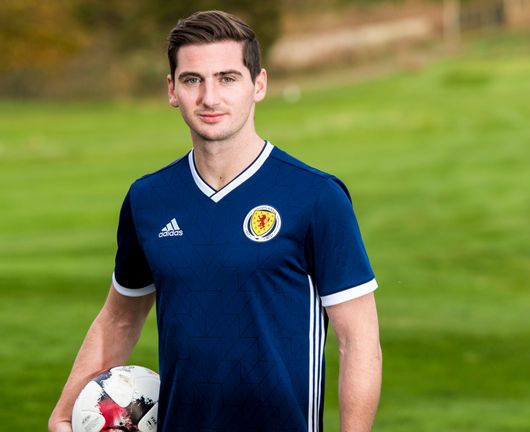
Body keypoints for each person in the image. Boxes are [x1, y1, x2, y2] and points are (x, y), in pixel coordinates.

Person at [49, 10, 381, 432]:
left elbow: (360, 341)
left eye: (227, 78)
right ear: (172, 90)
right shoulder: (148, 199)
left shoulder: (316, 197)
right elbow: (119, 318)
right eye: (192, 80)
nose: (209, 97)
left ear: (258, 85)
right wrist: (62, 412)